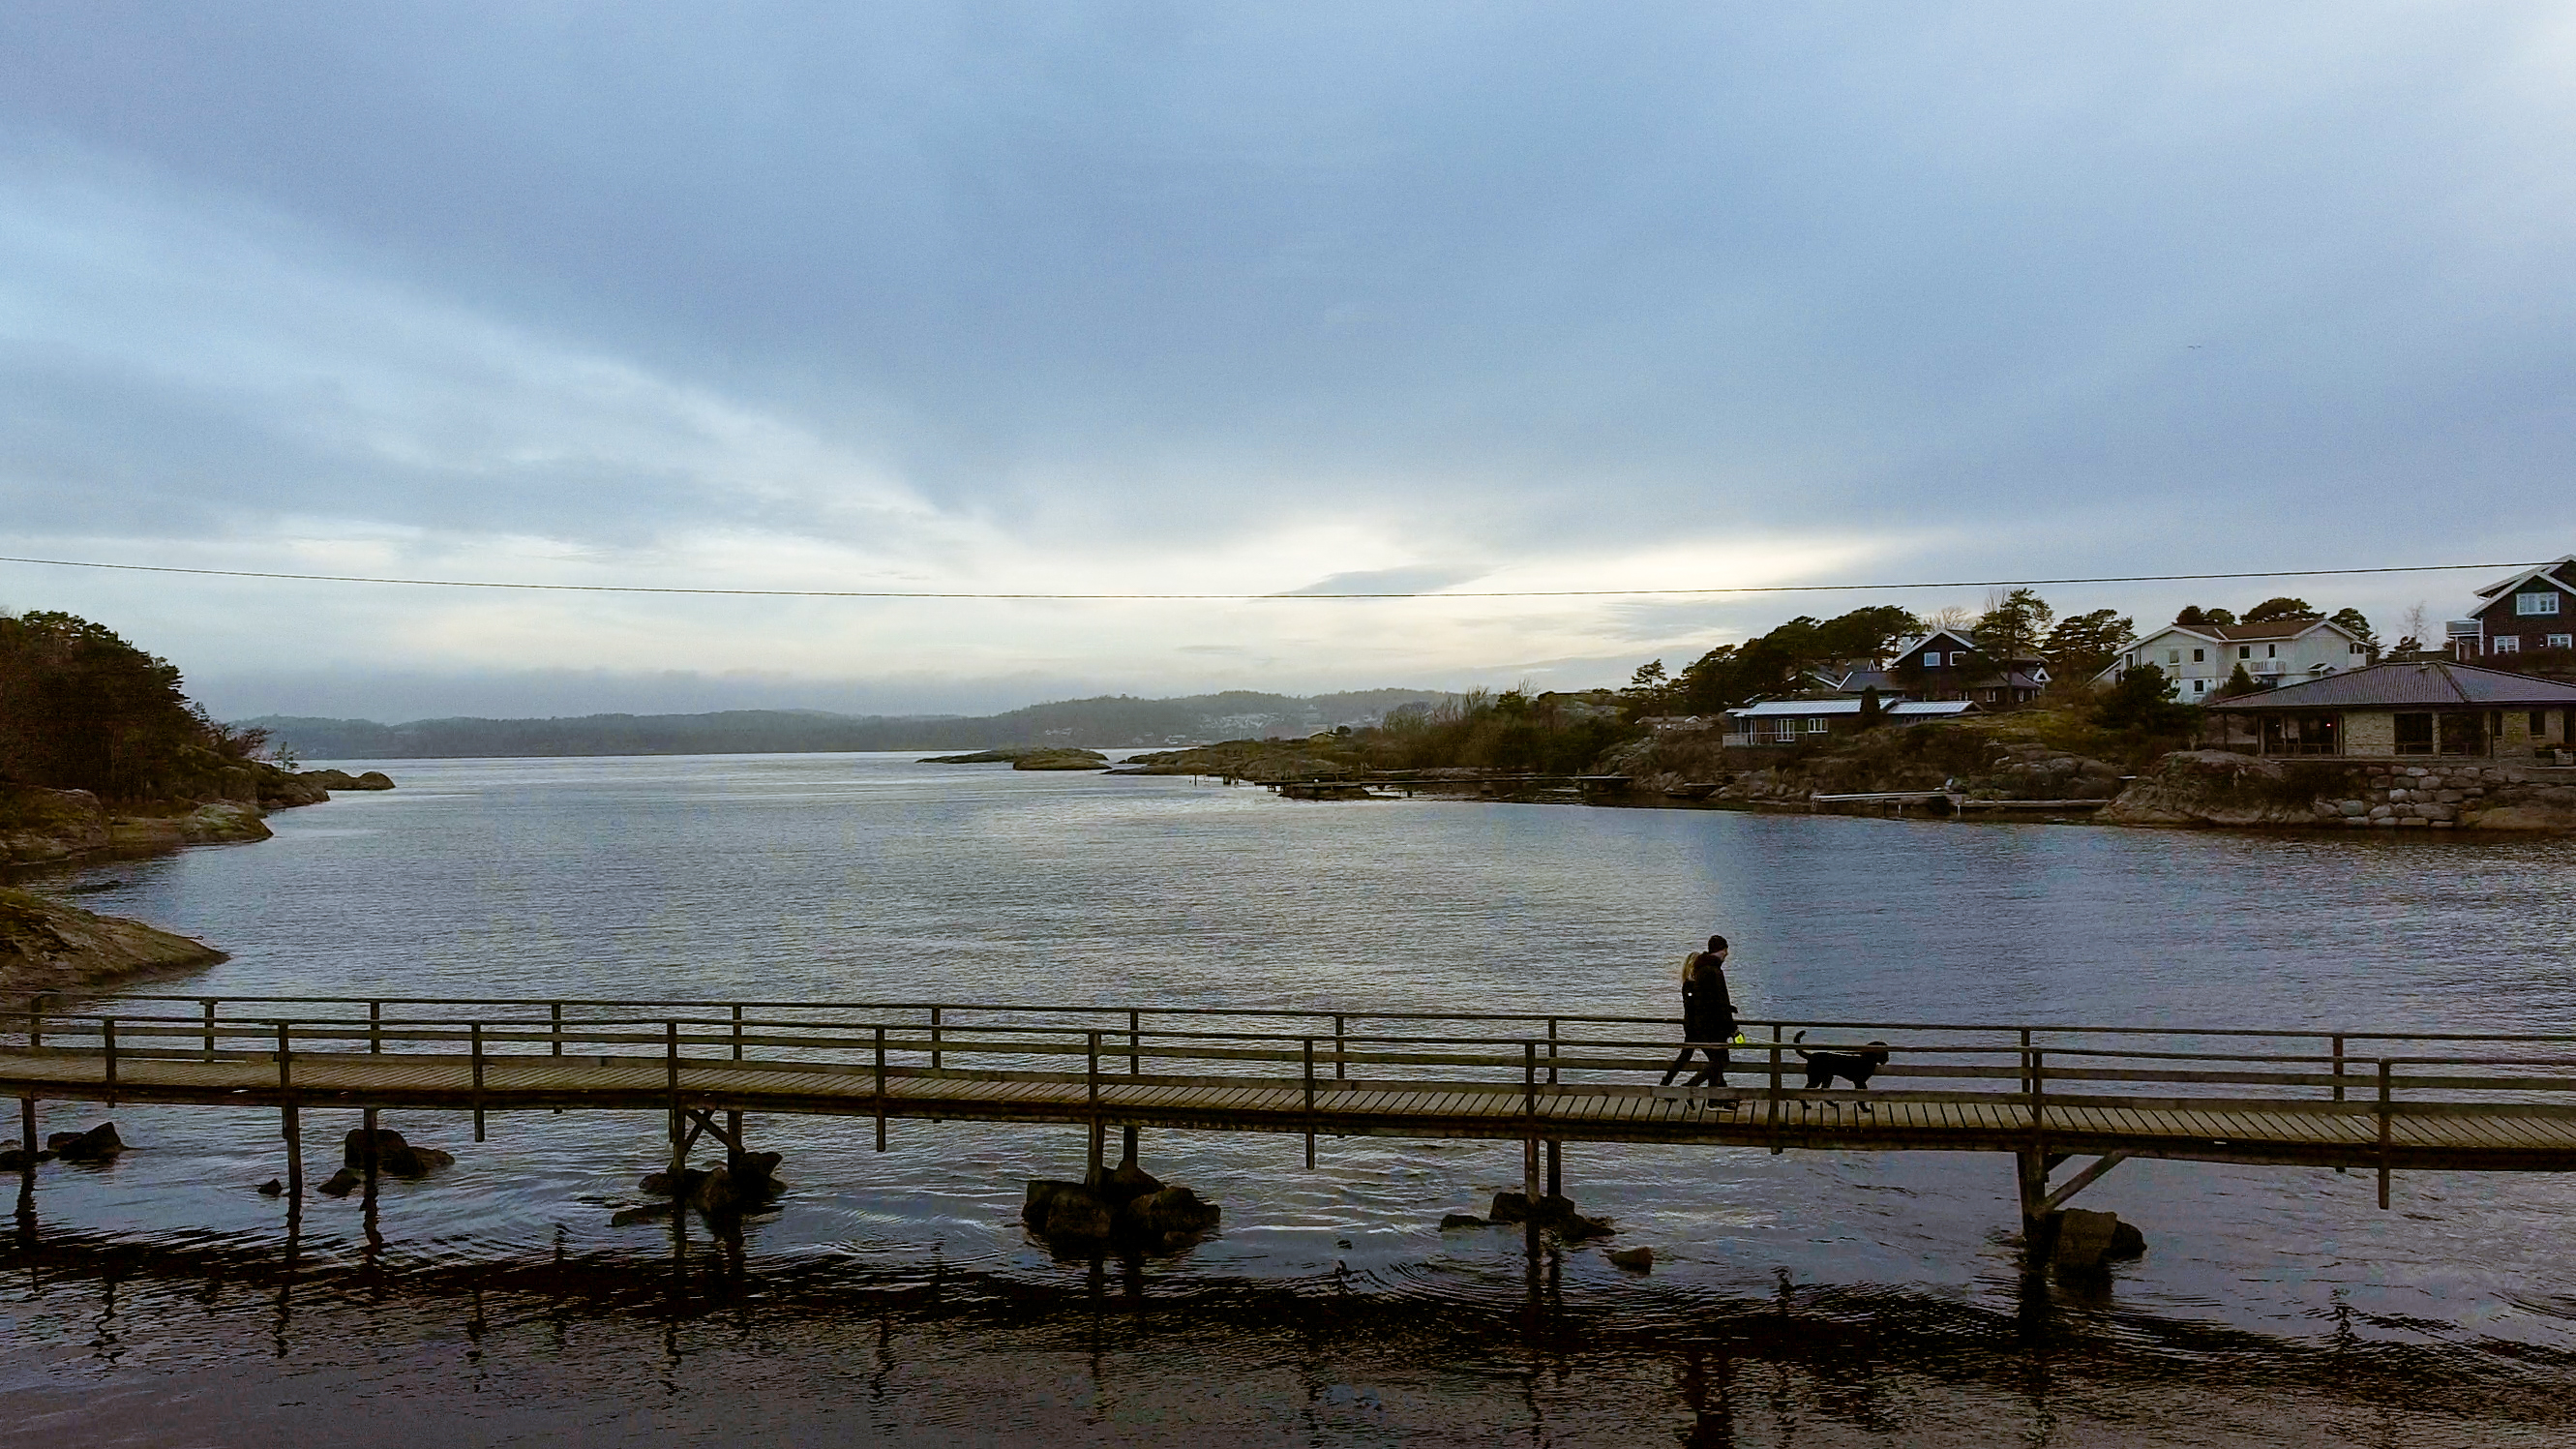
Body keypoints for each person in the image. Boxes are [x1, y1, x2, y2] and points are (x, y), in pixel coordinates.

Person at [1659, 934, 1736, 1090]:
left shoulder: (1698, 979)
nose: (1727, 954)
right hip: (1701, 1028)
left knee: (1713, 1060)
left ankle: (1716, 1093)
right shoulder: (1705, 976)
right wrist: (1730, 1026)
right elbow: (1713, 1002)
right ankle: (1691, 1088)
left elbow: (1711, 1001)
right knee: (1718, 1060)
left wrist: (1728, 1009)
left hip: (1696, 1027)